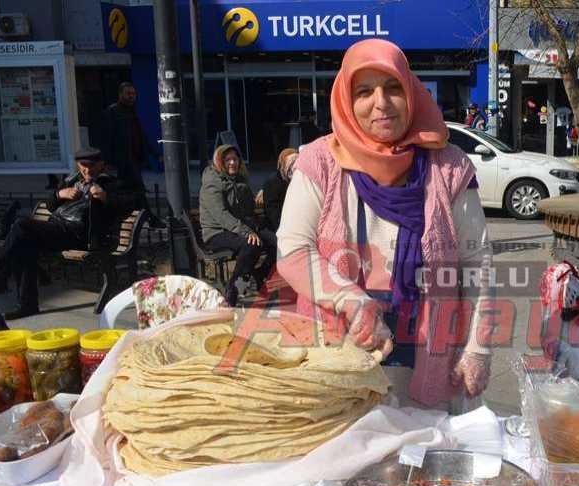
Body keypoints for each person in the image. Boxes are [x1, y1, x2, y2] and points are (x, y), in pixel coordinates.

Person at [276, 39, 493, 410]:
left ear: (410, 92)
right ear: (346, 99)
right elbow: (292, 251)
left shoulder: (450, 167)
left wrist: (478, 347)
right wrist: (355, 302)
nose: (381, 102)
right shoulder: (320, 163)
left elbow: (477, 263)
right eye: (365, 91)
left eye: (393, 87)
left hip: (427, 351)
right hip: (340, 349)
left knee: (419, 460)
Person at [0, 148, 119, 318]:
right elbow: (50, 205)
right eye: (82, 165)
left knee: (21, 225)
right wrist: (60, 194)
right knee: (25, 243)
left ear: (101, 164)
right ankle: (27, 305)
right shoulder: (72, 180)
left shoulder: (110, 183)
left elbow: (129, 202)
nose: (86, 170)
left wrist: (105, 198)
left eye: (91, 165)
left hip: (80, 235)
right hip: (59, 229)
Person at [199, 144, 277, 306]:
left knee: (277, 242)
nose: (232, 163)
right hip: (216, 233)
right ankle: (233, 286)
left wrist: (260, 195)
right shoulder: (212, 183)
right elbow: (221, 215)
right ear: (220, 162)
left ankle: (259, 273)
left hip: (238, 227)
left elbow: (247, 208)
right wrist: (246, 231)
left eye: (235, 159)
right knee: (251, 244)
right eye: (228, 160)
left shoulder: (238, 179)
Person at [98, 82, 158, 192]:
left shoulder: (132, 112)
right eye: (128, 93)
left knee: (133, 189)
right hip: (122, 161)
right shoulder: (112, 112)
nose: (131, 96)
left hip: (134, 159)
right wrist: (107, 161)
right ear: (120, 94)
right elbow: (106, 139)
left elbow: (141, 136)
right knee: (130, 189)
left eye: (134, 94)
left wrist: (154, 154)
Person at [258, 148, 298, 230]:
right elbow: (273, 214)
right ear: (282, 165)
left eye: (296, 163)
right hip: (277, 227)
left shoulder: (298, 180)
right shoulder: (273, 182)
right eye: (290, 164)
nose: (293, 167)